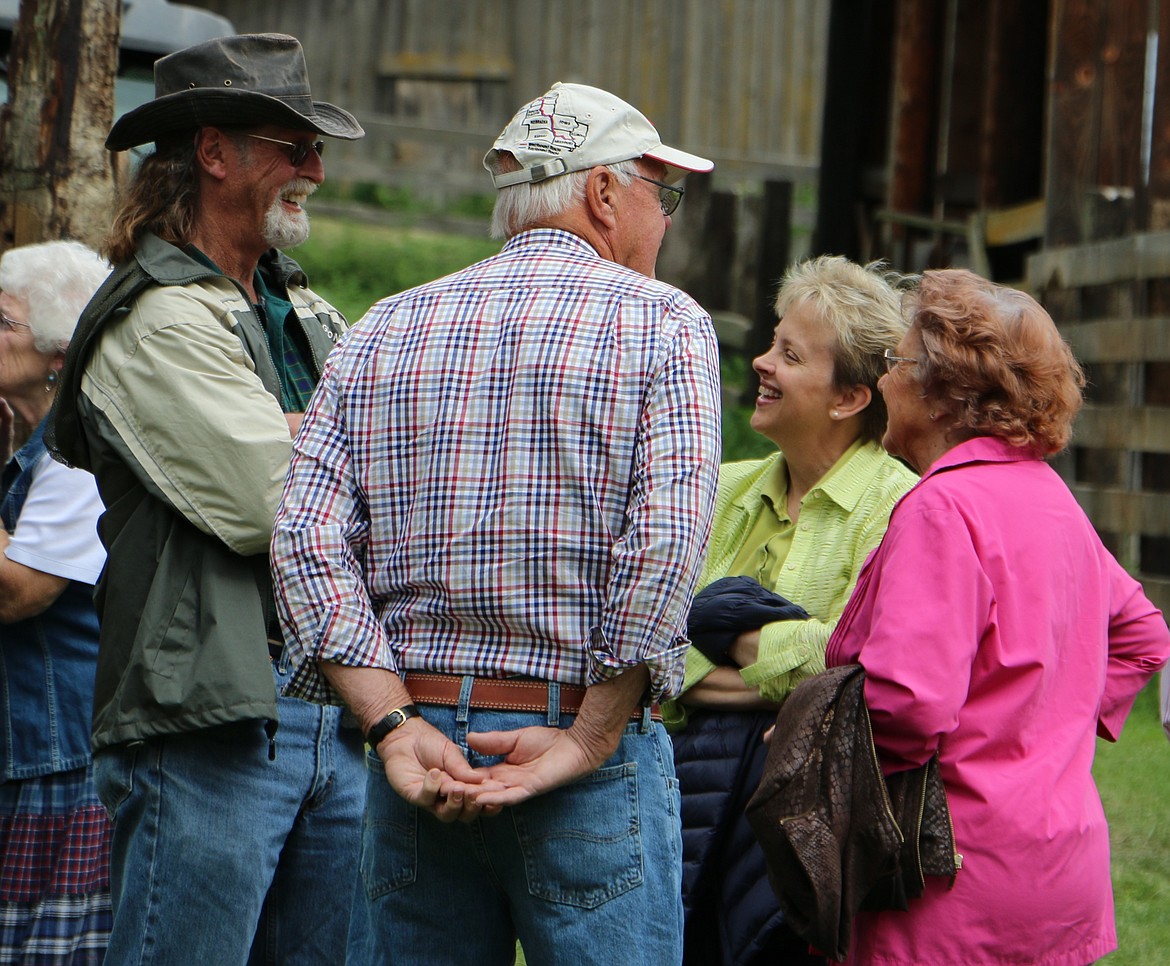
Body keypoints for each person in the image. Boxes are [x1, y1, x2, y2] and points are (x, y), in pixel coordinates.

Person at [270, 80, 722, 965]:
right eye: (658, 196)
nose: (664, 222)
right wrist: (591, 738)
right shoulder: (665, 323)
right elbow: (664, 539)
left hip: (419, 755)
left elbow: (305, 537)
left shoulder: (384, 326)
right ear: (601, 193)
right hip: (580, 746)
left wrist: (393, 727)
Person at [48, 34, 370, 964]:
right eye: (291, 146)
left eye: (314, 148)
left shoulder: (298, 307)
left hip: (333, 707)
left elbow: (407, 469)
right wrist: (339, 453)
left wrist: (326, 450)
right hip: (210, 715)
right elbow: (277, 505)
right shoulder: (152, 317)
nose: (314, 169)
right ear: (216, 153)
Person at [824, 268, 1170, 965]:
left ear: (944, 393)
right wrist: (1052, 718)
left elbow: (909, 705)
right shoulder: (1052, 500)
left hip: (947, 881)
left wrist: (824, 753)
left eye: (898, 363)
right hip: (1057, 874)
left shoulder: (941, 509)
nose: (887, 382)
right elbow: (1145, 635)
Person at [665, 256, 917, 966]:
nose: (761, 363)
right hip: (680, 799)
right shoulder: (719, 488)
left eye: (790, 354)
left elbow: (858, 665)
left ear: (848, 399)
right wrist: (779, 673)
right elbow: (644, 632)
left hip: (792, 822)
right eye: (774, 342)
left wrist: (700, 661)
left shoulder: (899, 508)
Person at [0, 241, 112, 964]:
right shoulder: (25, 434)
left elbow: (17, 591)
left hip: (56, 755)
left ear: (57, 353)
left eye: (2, 323)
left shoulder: (79, 452)